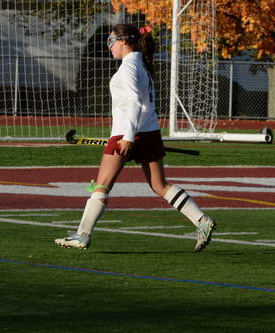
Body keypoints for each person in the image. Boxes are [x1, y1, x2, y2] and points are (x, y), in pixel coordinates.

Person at [55, 23, 215, 252]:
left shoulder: (129, 67)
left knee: (101, 185)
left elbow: (133, 102)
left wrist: (128, 137)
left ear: (123, 42)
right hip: (149, 132)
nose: (109, 47)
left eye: (111, 41)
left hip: (126, 132)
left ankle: (82, 235)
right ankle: (201, 220)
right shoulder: (141, 64)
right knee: (160, 185)